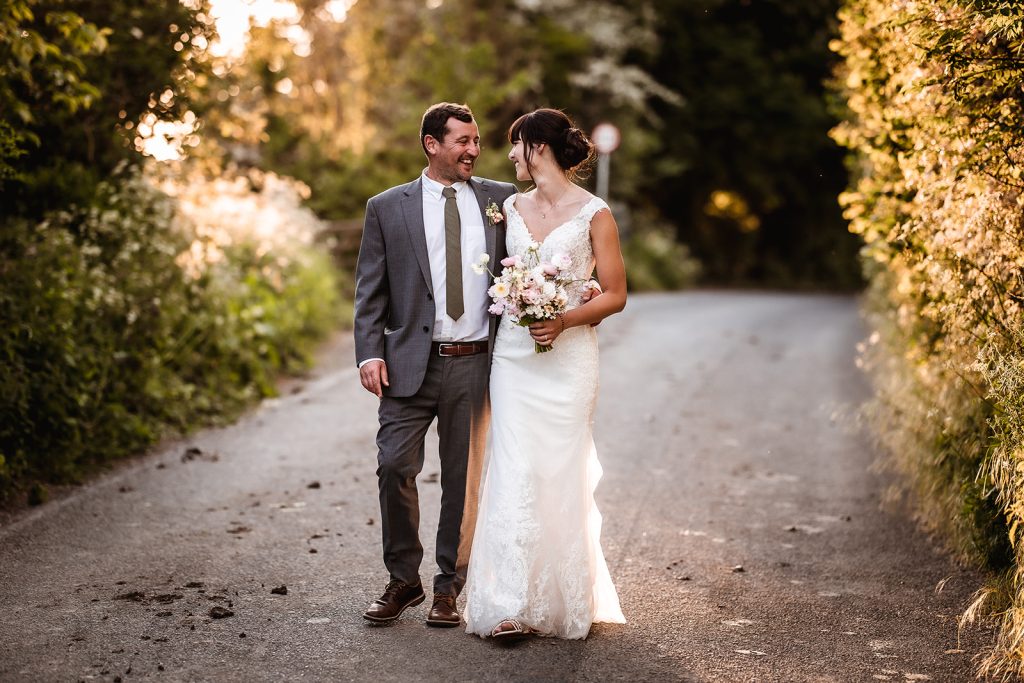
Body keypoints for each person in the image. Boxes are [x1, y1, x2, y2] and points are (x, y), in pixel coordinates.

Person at [464, 108, 628, 640]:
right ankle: (509, 602)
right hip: (513, 356)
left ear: (538, 147)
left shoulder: (595, 214)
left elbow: (616, 293)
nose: (509, 156)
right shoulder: (506, 208)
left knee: (561, 467)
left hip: (572, 357)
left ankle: (561, 597)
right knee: (513, 465)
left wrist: (564, 319)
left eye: (515, 145)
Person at [353, 102, 517, 627]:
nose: (473, 150)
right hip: (406, 364)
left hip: (475, 363)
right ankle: (404, 579)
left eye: (476, 142)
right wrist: (370, 351)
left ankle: (450, 588)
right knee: (393, 466)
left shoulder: (502, 200)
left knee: (462, 480)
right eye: (462, 141)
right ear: (432, 144)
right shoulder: (386, 207)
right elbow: (370, 289)